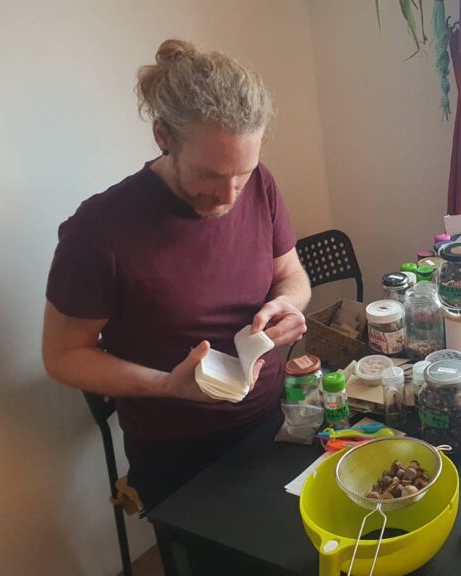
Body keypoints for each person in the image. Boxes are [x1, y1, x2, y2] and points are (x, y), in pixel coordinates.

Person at [42, 39, 311, 510]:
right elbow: (62, 356)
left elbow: (290, 273)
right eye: (210, 175)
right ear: (163, 136)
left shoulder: (261, 185)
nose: (229, 195)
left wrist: (288, 302)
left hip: (271, 422)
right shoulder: (99, 230)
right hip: (179, 455)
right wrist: (167, 384)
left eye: (242, 174)